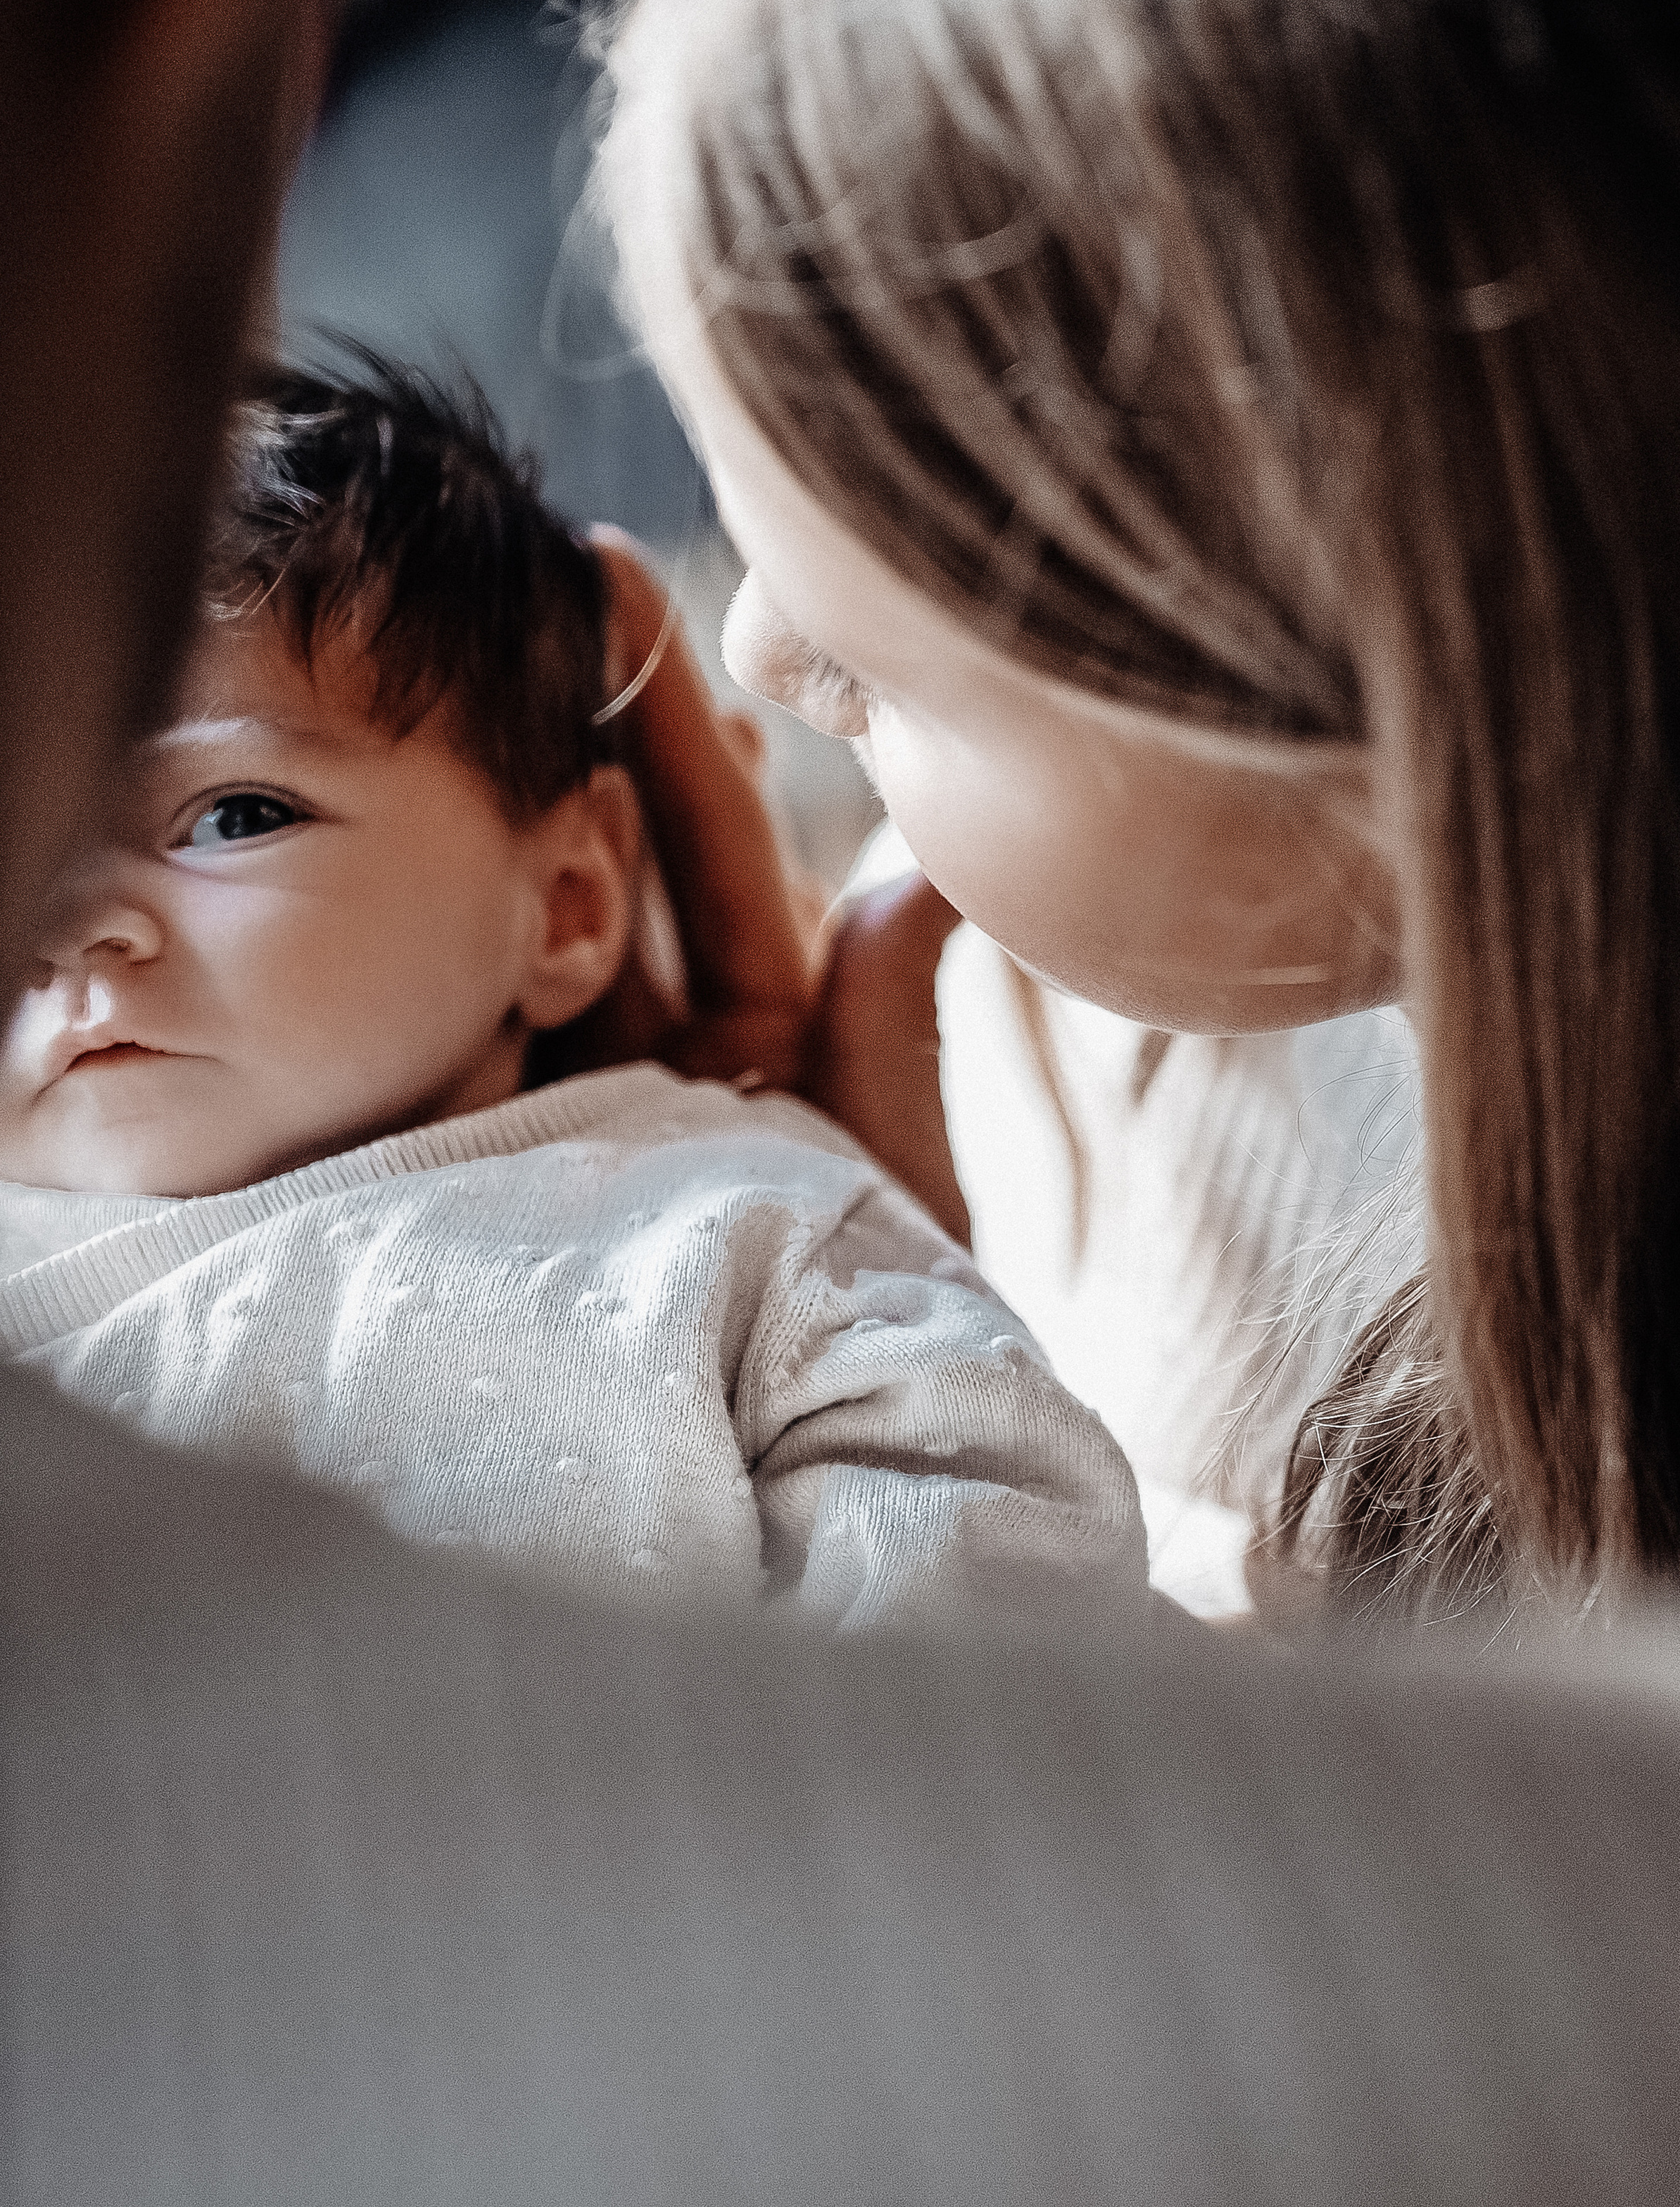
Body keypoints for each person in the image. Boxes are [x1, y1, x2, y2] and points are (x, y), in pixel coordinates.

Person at [14, 0, 1680, 2207]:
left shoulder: (786, 1213)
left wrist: (893, 1246)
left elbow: (1023, 1629)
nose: (741, 657)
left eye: (231, 815)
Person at [594, 0, 1680, 1628]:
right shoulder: (1114, 979)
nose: (759, 659)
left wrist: (1014, 1472)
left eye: (877, 669)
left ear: (1375, 754)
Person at [0, 356, 1139, 1626]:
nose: (64, 928)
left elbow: (1010, 1567)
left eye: (234, 815)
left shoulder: (724, 1208)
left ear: (568, 903)